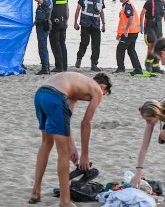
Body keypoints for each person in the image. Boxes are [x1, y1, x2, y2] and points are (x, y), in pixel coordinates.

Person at [29, 72, 112, 206]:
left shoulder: (76, 86)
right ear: (104, 87)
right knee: (63, 153)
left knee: (46, 143)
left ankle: (36, 192)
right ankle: (65, 201)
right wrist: (84, 155)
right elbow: (86, 123)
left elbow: (66, 120)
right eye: (104, 93)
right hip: (55, 97)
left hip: (41, 94)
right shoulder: (97, 90)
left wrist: (73, 146)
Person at [130, 93, 165, 189]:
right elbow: (144, 147)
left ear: (156, 114)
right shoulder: (155, 112)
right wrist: (138, 173)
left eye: (149, 120)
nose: (148, 123)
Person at [74, 0, 106, 71]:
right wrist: (75, 22)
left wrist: (103, 24)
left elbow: (101, 12)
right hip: (85, 24)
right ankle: (79, 58)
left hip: (96, 25)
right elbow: (77, 10)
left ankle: (94, 64)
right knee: (85, 42)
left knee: (96, 45)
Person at [141, 0, 165, 73]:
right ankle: (148, 63)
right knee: (153, 45)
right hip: (149, 26)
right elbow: (142, 13)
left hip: (159, 27)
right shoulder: (150, 1)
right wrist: (141, 26)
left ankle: (156, 66)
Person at [115, 0, 143, 74]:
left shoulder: (128, 5)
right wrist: (119, 34)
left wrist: (126, 31)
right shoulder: (125, 6)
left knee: (120, 49)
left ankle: (121, 68)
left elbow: (130, 17)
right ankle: (138, 69)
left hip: (130, 32)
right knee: (131, 50)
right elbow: (123, 22)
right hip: (133, 32)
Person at [31, 0, 53, 75]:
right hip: (40, 24)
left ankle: (45, 67)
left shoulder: (47, 0)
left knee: (42, 47)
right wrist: (35, 22)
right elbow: (40, 12)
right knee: (42, 46)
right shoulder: (43, 1)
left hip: (43, 25)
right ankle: (46, 66)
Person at [48, 0, 69, 72]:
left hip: (55, 23)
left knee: (55, 44)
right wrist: (67, 20)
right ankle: (64, 66)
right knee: (62, 44)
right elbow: (67, 8)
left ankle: (59, 66)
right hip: (63, 22)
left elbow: (49, 9)